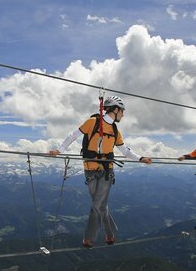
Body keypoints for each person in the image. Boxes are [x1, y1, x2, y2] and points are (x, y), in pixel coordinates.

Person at [48, 95, 152, 248]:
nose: (123, 114)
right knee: (101, 204)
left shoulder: (115, 130)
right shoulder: (93, 122)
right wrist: (59, 150)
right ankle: (110, 233)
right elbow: (73, 136)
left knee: (97, 204)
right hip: (90, 169)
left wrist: (141, 158)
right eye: (122, 111)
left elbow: (125, 150)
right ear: (115, 110)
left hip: (106, 170)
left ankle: (88, 238)